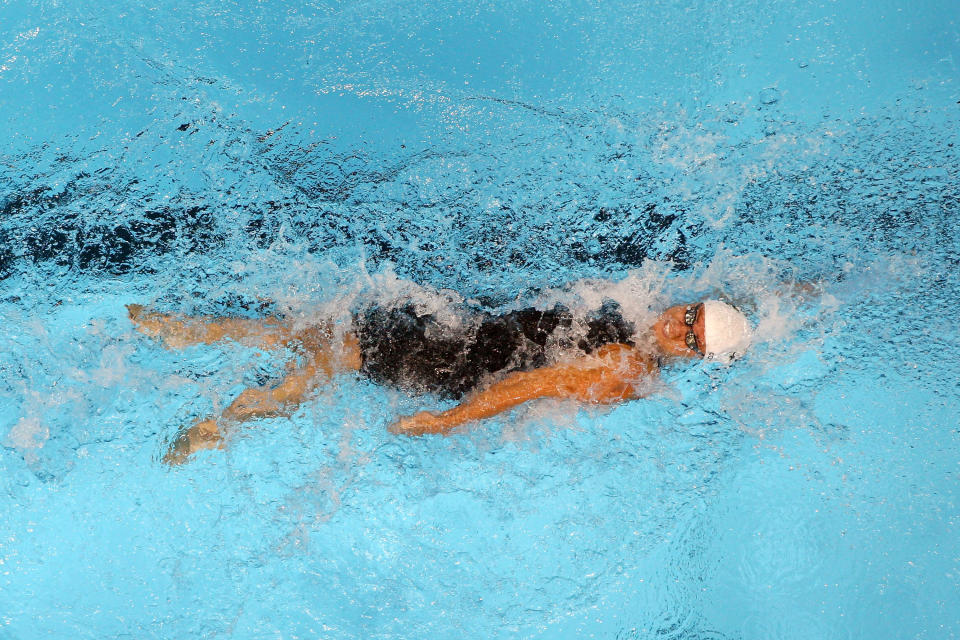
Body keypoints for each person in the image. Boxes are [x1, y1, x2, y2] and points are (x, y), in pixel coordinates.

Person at [127, 295, 752, 464]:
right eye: (689, 313)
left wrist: (449, 421)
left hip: (459, 364)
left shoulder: (626, 368)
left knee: (334, 350)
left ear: (693, 358)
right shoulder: (639, 317)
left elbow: (529, 388)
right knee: (322, 330)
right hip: (471, 333)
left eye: (690, 337)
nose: (678, 324)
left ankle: (224, 423)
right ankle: (195, 332)